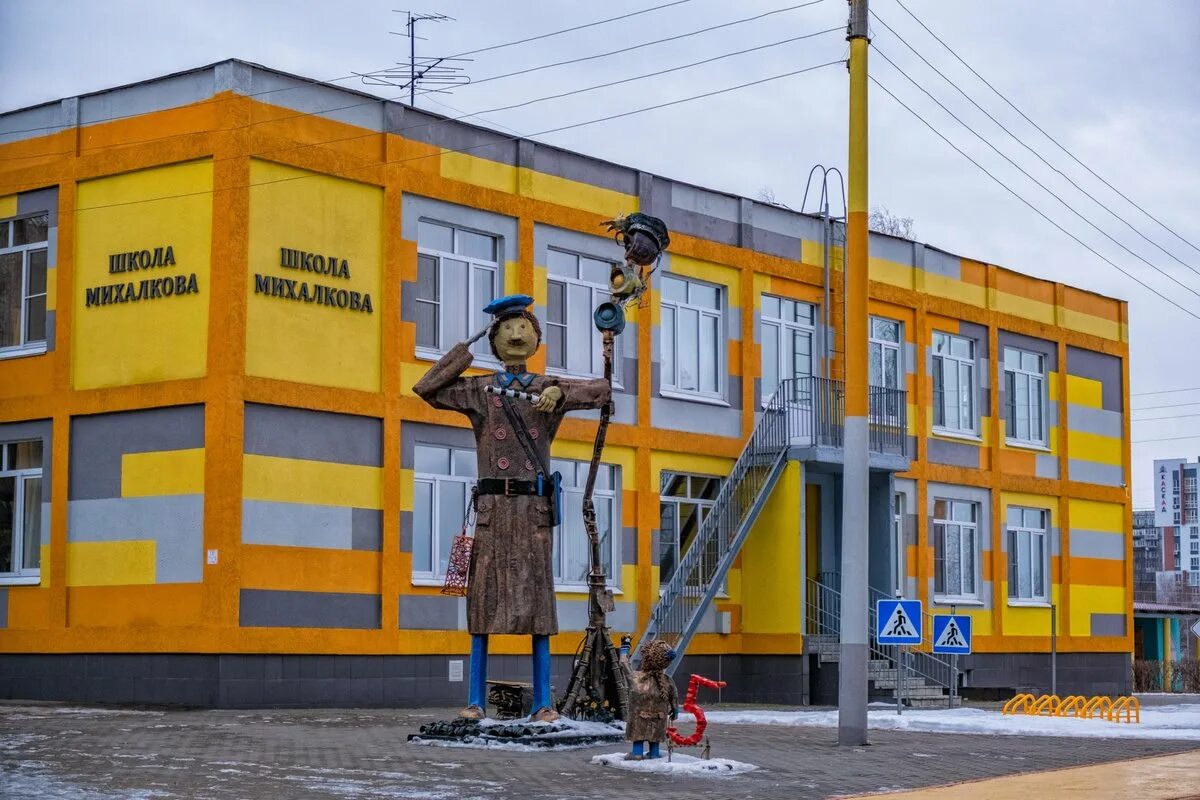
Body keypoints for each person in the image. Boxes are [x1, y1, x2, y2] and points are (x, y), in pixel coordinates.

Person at [413, 294, 610, 722]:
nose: (517, 335)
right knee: (483, 603)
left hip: (533, 511)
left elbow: (603, 391)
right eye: (507, 329)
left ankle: (543, 703)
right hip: (492, 510)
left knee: (538, 605)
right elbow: (427, 387)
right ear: (495, 339)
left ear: (537, 339)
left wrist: (561, 391)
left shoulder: (545, 388)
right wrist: (466, 348)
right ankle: (475, 700)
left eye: (525, 329)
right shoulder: (482, 390)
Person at [617, 636, 679, 759]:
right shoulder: (668, 681)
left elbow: (623, 663)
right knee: (654, 736)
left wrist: (625, 646)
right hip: (659, 719)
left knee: (638, 734)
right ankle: (654, 754)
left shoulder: (635, 678)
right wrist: (675, 711)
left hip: (638, 718)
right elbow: (674, 697)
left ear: (645, 658)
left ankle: (637, 753)